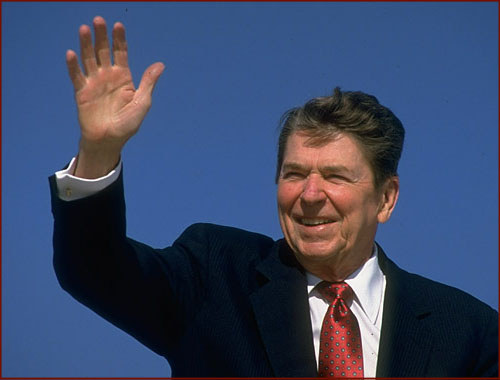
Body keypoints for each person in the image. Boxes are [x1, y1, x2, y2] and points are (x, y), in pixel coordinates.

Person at [49, 16, 498, 377]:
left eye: (336, 176)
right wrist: (100, 151)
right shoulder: (213, 276)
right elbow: (93, 270)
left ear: (386, 198)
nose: (310, 194)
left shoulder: (468, 332)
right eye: (295, 173)